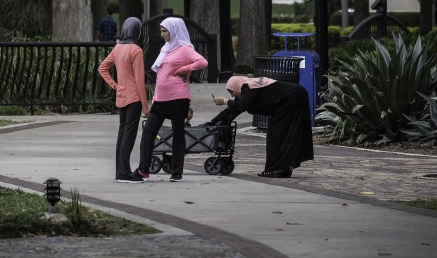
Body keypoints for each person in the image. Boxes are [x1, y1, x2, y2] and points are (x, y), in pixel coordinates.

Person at [134, 17, 208, 182]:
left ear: (174, 30)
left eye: (165, 31)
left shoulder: (184, 49)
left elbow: (202, 61)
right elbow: (161, 75)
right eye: (161, 30)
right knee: (148, 131)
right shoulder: (166, 49)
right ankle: (143, 170)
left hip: (178, 98)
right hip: (160, 99)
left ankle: (176, 172)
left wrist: (185, 68)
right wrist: (154, 98)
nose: (162, 34)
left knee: (178, 133)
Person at [210, 75, 314, 178]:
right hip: (294, 96)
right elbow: (233, 110)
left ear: (237, 86)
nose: (232, 96)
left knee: (276, 135)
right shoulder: (249, 88)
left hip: (291, 98)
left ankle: (274, 169)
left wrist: (225, 101)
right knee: (285, 134)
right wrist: (212, 123)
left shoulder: (248, 87)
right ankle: (284, 168)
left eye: (231, 92)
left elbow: (241, 106)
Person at [98, 17, 149, 183]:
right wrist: (145, 106)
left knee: (122, 134)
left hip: (121, 95)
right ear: (137, 31)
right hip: (134, 97)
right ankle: (124, 173)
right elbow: (139, 81)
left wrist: (115, 86)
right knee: (129, 134)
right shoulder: (136, 50)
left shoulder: (118, 47)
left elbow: (102, 68)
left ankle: (120, 171)